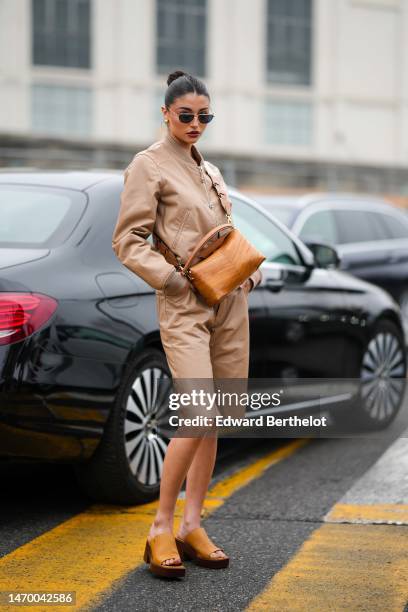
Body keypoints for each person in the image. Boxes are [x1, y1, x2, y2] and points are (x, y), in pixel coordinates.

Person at [111, 69, 263, 579]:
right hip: (186, 305)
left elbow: (222, 231)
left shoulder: (210, 170)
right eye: (186, 116)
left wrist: (249, 269)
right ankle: (159, 527)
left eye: (205, 116)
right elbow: (128, 241)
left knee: (217, 415)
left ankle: (192, 524)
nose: (196, 124)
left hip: (230, 300)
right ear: (165, 113)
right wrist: (172, 283)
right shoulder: (148, 165)